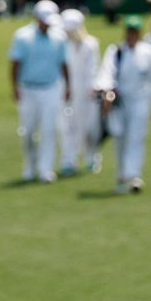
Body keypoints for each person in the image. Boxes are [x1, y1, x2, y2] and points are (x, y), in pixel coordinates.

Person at [95, 15, 151, 194]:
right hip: (120, 102)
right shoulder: (116, 51)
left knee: (136, 137)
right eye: (129, 31)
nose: (132, 34)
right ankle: (121, 174)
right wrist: (107, 93)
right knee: (120, 138)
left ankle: (133, 175)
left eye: (135, 31)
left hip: (140, 100)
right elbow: (106, 73)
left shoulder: (148, 52)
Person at [9, 0, 70, 183]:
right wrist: (15, 88)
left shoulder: (59, 37)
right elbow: (15, 65)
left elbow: (63, 64)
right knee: (27, 131)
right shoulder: (22, 36)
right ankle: (30, 166)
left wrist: (68, 87)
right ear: (37, 18)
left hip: (51, 88)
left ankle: (46, 169)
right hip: (28, 89)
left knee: (49, 130)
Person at [58, 9, 102, 176]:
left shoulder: (90, 44)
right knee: (68, 127)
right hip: (68, 91)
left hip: (86, 92)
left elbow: (93, 68)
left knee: (89, 127)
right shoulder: (62, 44)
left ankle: (92, 158)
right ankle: (69, 160)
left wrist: (92, 88)